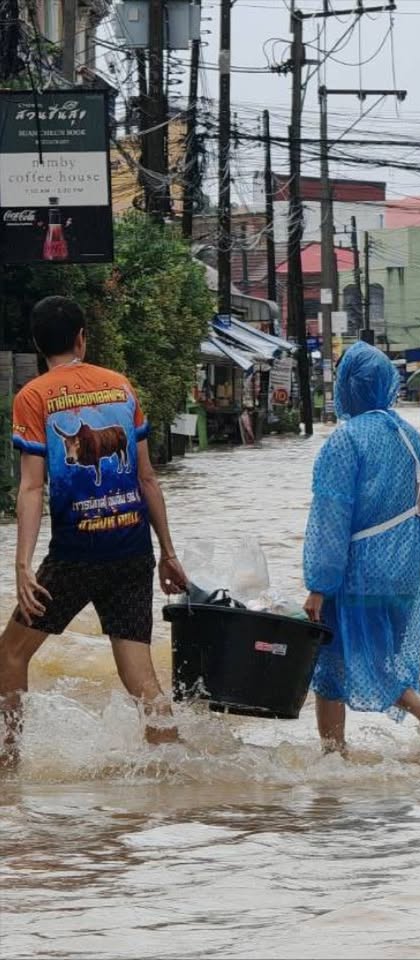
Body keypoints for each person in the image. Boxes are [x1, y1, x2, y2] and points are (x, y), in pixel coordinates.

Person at [0, 296, 187, 768]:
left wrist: (23, 564)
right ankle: (175, 769)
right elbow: (147, 478)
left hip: (75, 554)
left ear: (37, 344)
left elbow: (31, 486)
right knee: (140, 675)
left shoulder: (34, 396)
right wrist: (167, 552)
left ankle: (7, 765)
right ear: (83, 336)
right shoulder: (120, 388)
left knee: (9, 656)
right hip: (132, 547)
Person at [303, 341, 420, 755]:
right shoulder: (407, 434)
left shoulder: (345, 440)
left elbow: (330, 517)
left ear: (346, 387)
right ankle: (335, 753)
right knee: (347, 659)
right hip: (403, 572)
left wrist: (319, 583)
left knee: (345, 658)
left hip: (357, 571)